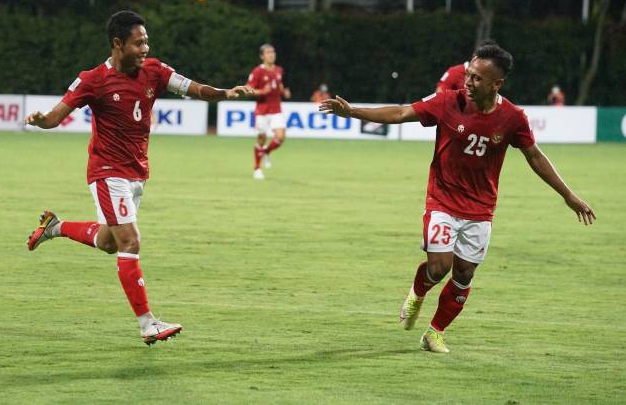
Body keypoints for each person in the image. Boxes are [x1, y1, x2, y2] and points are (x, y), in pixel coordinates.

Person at [320, 44, 595, 353]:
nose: (468, 82)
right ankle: (417, 291)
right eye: (468, 75)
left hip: (480, 210)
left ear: (497, 84)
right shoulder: (447, 102)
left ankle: (434, 332)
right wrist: (353, 111)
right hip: (443, 201)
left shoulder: (513, 118)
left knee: (464, 274)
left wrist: (568, 195)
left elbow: (534, 156)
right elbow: (400, 112)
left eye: (477, 78)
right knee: (439, 267)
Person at [25, 10, 251, 345]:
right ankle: (148, 324)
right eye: (138, 42)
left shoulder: (155, 71)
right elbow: (56, 117)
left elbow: (192, 88)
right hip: (106, 171)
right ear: (117, 44)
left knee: (108, 242)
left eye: (146, 41)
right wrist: (41, 120)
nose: (145, 48)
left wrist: (225, 93)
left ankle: (55, 226)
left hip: (136, 173)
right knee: (130, 242)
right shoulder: (93, 79)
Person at [246, 43, 291, 180]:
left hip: (276, 109)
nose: (272, 54)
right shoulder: (257, 71)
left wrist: (284, 91)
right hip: (262, 110)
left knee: (281, 137)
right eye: (268, 52)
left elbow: (278, 85)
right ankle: (257, 168)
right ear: (262, 56)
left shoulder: (279, 70)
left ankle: (265, 152)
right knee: (262, 138)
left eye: (273, 51)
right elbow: (248, 89)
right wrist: (261, 91)